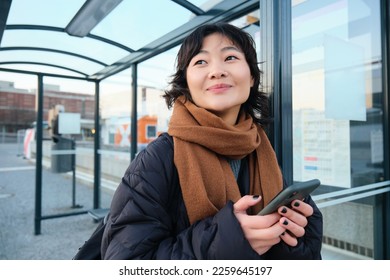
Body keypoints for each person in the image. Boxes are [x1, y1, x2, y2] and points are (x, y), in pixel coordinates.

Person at [101, 22, 323, 259]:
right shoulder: (157, 158)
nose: (216, 71)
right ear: (186, 83)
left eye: (230, 58)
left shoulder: (260, 149)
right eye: (200, 62)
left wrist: (297, 236)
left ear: (251, 78)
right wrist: (225, 242)